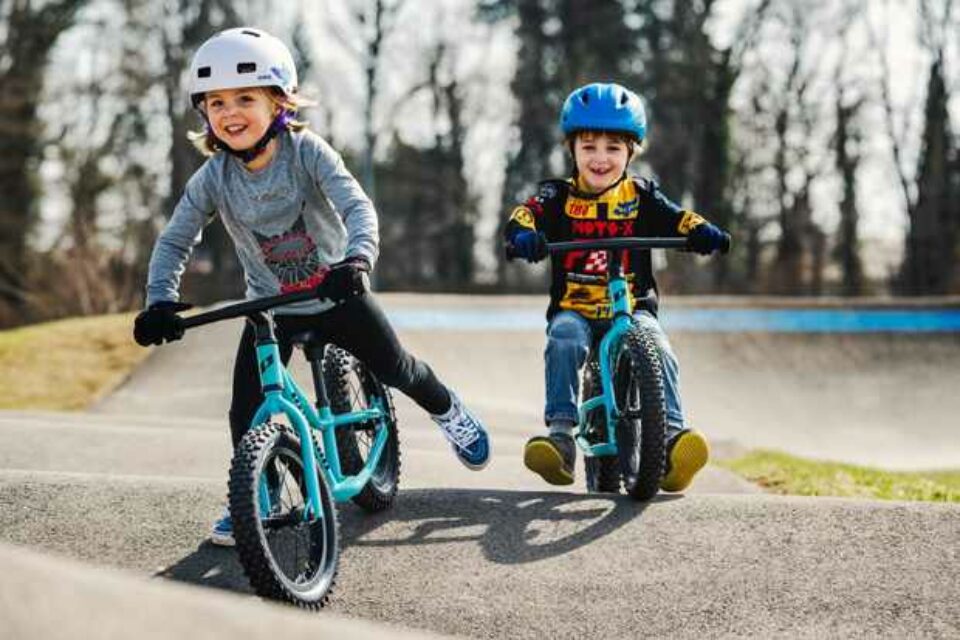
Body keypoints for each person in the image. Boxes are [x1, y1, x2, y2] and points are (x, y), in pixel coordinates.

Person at [132, 27, 491, 546]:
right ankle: (262, 496)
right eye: (216, 103)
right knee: (246, 409)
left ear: (279, 101)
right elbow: (173, 241)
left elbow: (356, 206)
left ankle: (446, 408)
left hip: (336, 292)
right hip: (270, 309)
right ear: (203, 113)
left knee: (395, 367)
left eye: (245, 99)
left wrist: (357, 258)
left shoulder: (306, 153)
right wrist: (159, 301)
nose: (230, 112)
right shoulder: (213, 178)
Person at [504, 82, 729, 492]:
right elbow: (525, 215)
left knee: (657, 344)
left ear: (631, 151)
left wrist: (703, 232)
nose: (600, 158)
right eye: (588, 147)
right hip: (575, 308)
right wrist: (523, 235)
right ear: (572, 150)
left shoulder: (641, 195)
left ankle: (672, 439)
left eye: (613, 147)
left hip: (633, 305)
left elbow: (678, 218)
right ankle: (560, 436)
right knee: (564, 338)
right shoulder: (557, 195)